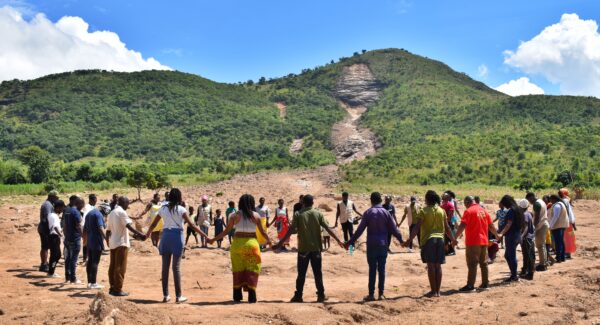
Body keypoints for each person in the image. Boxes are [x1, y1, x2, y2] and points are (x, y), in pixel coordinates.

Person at [274, 195, 344, 303]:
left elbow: (291, 230)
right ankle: (321, 295)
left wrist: (280, 243)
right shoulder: (318, 213)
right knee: (318, 273)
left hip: (303, 248)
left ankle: (298, 295)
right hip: (316, 248)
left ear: (303, 203)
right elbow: (327, 228)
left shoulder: (298, 214)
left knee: (301, 273)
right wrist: (338, 240)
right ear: (312, 203)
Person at [146, 188, 208, 303]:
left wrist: (146, 235)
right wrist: (206, 236)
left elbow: (154, 224)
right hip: (177, 238)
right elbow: (192, 225)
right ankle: (178, 296)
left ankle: (166, 295)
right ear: (179, 197)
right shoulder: (181, 209)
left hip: (165, 237)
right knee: (176, 268)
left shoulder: (163, 209)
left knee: (165, 268)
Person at [209, 194, 272, 303]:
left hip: (237, 245)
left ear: (240, 203)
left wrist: (213, 239)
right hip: (252, 245)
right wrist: (270, 242)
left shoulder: (234, 216)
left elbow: (226, 232)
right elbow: (263, 232)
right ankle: (252, 297)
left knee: (238, 269)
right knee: (252, 270)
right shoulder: (256, 216)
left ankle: (237, 296)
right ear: (252, 203)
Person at [346, 192, 405, 301]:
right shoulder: (386, 213)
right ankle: (381, 294)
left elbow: (359, 230)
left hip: (372, 245)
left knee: (372, 269)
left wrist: (350, 241)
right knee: (382, 269)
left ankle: (371, 294)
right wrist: (401, 240)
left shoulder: (368, 213)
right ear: (380, 201)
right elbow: (394, 229)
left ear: (371, 200)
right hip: (383, 244)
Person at [402, 190, 456, 297]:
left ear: (427, 199)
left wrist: (409, 240)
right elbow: (447, 227)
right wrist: (453, 239)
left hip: (429, 240)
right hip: (440, 240)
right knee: (438, 266)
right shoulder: (441, 211)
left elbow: (417, 227)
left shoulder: (424, 211)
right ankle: (438, 292)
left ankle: (433, 291)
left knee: (431, 265)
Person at [453, 196, 500, 292]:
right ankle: (485, 284)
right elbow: (491, 225)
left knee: (472, 264)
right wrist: (497, 235)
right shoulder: (483, 210)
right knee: (484, 263)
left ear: (467, 202)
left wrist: (455, 238)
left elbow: (462, 225)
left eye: (465, 204)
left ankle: (470, 286)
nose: (465, 206)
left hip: (473, 242)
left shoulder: (469, 211)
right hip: (484, 241)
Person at [106, 196, 147, 297]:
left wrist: (107, 241)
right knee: (120, 267)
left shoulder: (112, 213)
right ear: (124, 203)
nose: (128, 205)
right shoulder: (121, 212)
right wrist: (141, 234)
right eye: (127, 203)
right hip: (121, 243)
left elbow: (108, 230)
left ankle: (112, 287)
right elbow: (128, 226)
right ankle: (118, 289)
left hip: (113, 243)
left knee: (113, 266)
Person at [496, 195, 523, 282]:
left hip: (511, 235)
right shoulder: (518, 209)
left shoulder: (511, 211)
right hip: (517, 234)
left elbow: (508, 224)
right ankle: (513, 274)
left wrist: (501, 233)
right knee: (508, 255)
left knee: (511, 255)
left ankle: (514, 276)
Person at [84, 197, 106, 289]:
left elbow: (84, 229)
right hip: (97, 241)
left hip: (89, 241)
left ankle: (89, 282)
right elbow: (101, 228)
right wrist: (107, 239)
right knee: (95, 262)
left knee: (90, 261)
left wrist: (85, 241)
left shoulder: (89, 214)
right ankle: (93, 283)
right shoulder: (98, 215)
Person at [63, 196, 84, 284]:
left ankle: (67, 277)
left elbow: (64, 225)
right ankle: (73, 278)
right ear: (79, 203)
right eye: (83, 204)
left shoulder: (67, 210)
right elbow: (78, 226)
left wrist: (65, 235)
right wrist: (83, 236)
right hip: (75, 238)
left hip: (67, 238)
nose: (83, 206)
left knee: (68, 258)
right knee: (74, 259)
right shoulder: (76, 212)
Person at [526, 192, 549, 271]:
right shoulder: (541, 201)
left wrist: (533, 227)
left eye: (529, 200)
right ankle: (545, 262)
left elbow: (537, 217)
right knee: (542, 245)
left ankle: (542, 265)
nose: (529, 202)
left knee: (540, 245)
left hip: (541, 225)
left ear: (532, 197)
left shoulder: (536, 204)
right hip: (544, 224)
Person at [38, 191, 59, 272]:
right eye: (56, 198)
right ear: (51, 197)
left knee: (45, 246)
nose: (57, 199)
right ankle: (44, 264)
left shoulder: (48, 204)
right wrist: (49, 230)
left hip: (44, 228)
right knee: (45, 247)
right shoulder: (47, 205)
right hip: (45, 229)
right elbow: (47, 218)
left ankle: (44, 263)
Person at [548, 194, 569, 263]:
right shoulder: (561, 204)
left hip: (557, 226)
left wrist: (551, 226)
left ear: (554, 199)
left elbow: (555, 217)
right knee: (561, 242)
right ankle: (562, 257)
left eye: (550, 199)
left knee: (558, 243)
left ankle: (559, 258)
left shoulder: (557, 205)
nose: (550, 201)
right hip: (561, 226)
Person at [47, 200, 65, 278]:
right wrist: (61, 235)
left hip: (52, 237)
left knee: (55, 255)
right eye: (62, 208)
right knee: (56, 255)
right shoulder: (54, 216)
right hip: (54, 237)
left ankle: (51, 271)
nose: (62, 210)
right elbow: (55, 227)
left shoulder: (51, 214)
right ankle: (51, 272)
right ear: (58, 207)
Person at [518, 199, 536, 280]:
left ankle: (529, 274)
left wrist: (521, 236)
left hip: (526, 238)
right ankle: (526, 271)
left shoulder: (524, 215)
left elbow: (525, 227)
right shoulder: (528, 214)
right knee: (528, 255)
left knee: (527, 256)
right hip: (530, 237)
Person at [558, 188, 577, 260]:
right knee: (570, 237)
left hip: (566, 223)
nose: (558, 194)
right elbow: (571, 213)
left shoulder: (564, 201)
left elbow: (569, 213)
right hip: (570, 223)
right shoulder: (567, 201)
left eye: (559, 193)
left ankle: (567, 252)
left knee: (567, 238)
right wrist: (574, 224)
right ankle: (568, 252)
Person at [81, 194, 98, 264]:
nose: (96, 201)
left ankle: (87, 257)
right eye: (95, 200)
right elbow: (85, 218)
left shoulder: (93, 207)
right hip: (86, 227)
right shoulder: (87, 207)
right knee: (86, 243)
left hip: (91, 227)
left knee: (89, 242)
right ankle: (85, 258)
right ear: (91, 200)